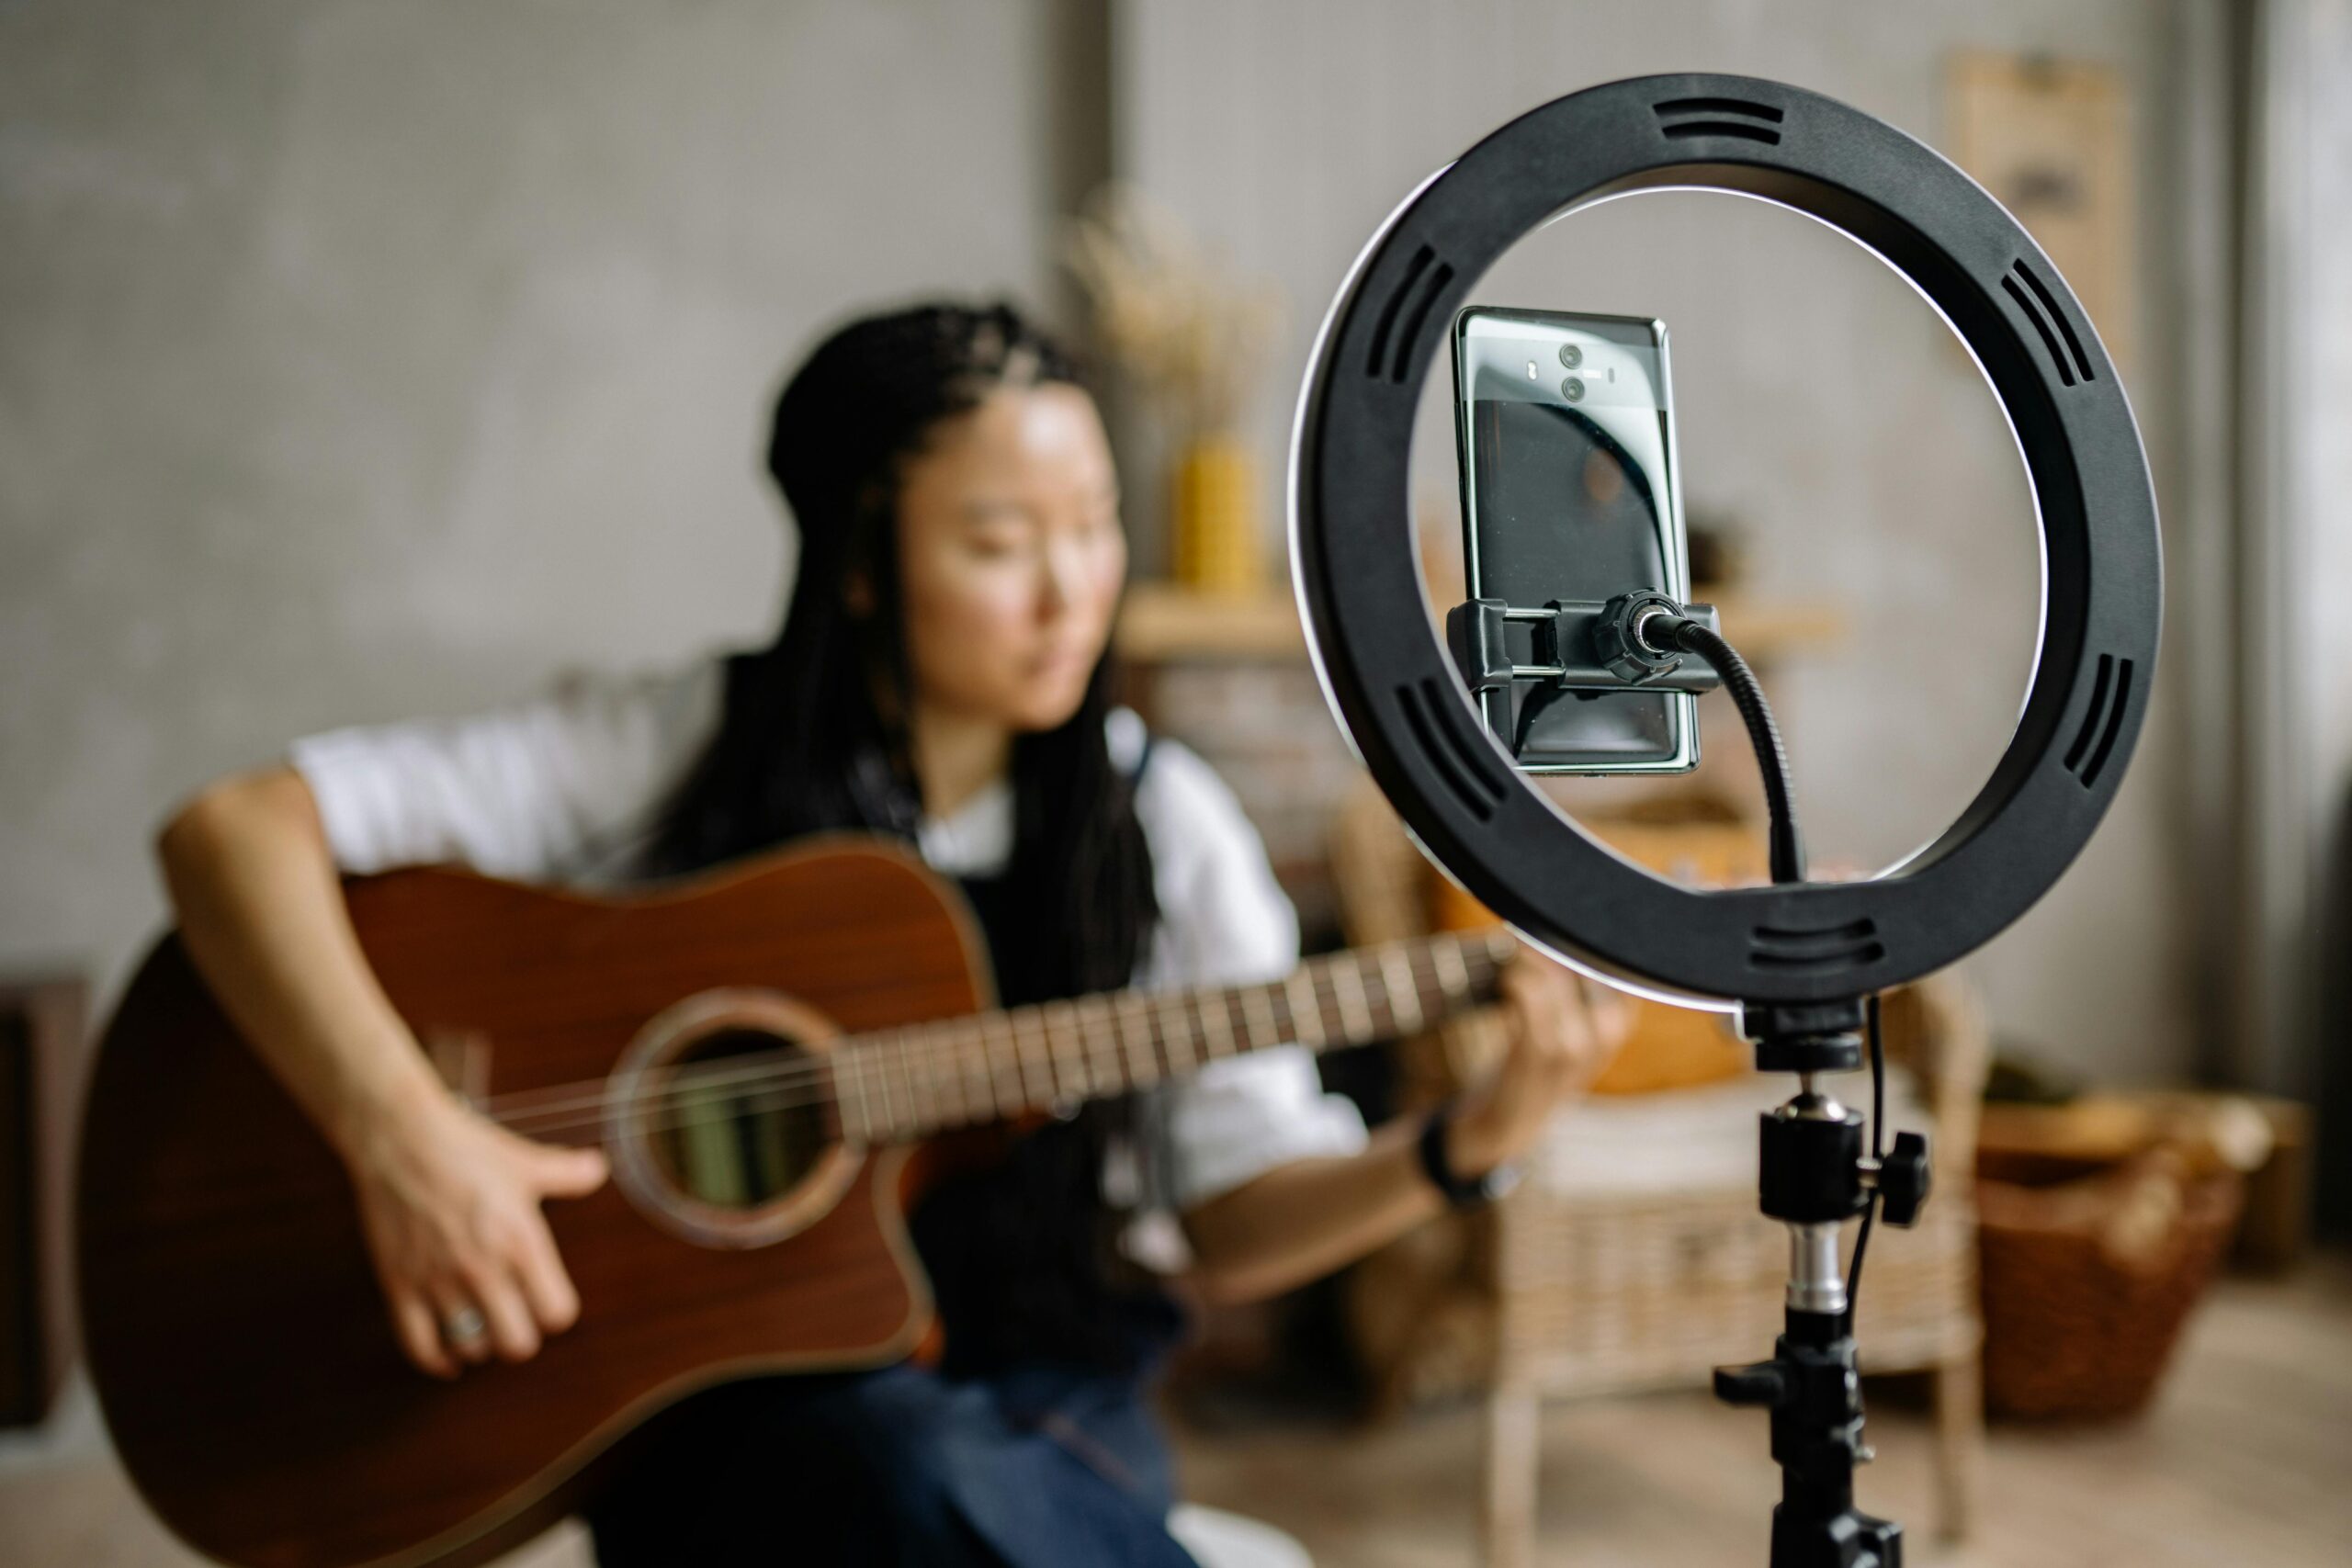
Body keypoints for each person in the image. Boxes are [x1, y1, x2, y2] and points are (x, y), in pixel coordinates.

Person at [155, 300, 1626, 1565]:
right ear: (860, 564)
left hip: (1047, 1415)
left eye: (1094, 526)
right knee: (884, 1464)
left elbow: (1233, 1220)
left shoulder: (1157, 829)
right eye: (1001, 543)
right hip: (732, 1440)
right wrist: (404, 1133)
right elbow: (233, 831)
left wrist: (1465, 1145)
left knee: (941, 1483)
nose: (1071, 592)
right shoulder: (685, 745)